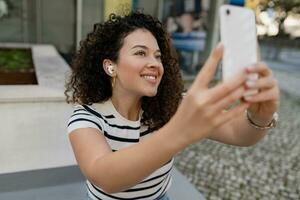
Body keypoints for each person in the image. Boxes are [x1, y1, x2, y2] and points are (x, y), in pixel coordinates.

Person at [65, 11, 280, 200]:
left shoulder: (172, 106)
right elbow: (107, 178)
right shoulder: (87, 117)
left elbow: (238, 134)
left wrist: (260, 116)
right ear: (110, 66)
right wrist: (179, 132)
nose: (155, 63)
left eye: (158, 56)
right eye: (140, 53)